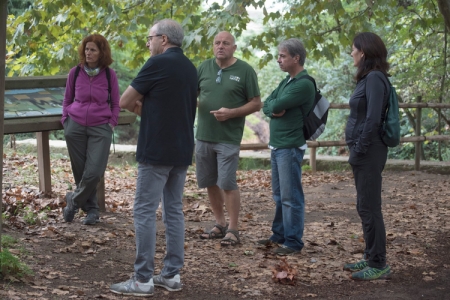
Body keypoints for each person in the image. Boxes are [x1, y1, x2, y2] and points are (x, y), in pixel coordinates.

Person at [109, 19, 197, 297]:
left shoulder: (157, 64)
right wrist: (151, 107)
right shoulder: (190, 68)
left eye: (150, 38)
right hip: (182, 149)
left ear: (164, 39)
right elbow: (171, 106)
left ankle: (142, 279)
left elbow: (124, 101)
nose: (148, 43)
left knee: (144, 211)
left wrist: (143, 106)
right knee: (173, 210)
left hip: (157, 149)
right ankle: (171, 274)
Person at [196, 31, 261, 246]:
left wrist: (231, 113)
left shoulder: (245, 70)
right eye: (217, 43)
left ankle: (233, 229)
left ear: (234, 47)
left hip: (228, 137)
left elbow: (256, 103)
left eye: (225, 43)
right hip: (204, 135)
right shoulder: (204, 67)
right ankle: (219, 224)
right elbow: (192, 95)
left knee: (227, 182)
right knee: (209, 182)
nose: (220, 46)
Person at [343, 32, 392, 280]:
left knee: (371, 207)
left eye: (353, 49)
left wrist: (359, 148)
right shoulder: (367, 79)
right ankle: (369, 256)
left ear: (363, 52)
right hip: (364, 151)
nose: (351, 53)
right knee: (364, 206)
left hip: (369, 151)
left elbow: (372, 118)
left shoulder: (374, 78)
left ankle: (379, 263)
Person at [260, 39, 314, 256]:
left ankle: (293, 241)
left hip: (290, 146)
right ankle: (279, 234)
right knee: (279, 195)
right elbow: (267, 103)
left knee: (291, 196)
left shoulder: (304, 83)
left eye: (282, 56)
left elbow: (277, 104)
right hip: (277, 145)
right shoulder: (287, 81)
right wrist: (272, 108)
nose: (278, 60)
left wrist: (274, 106)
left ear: (296, 58)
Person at [62, 34, 120, 225]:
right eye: (86, 49)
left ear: (101, 52)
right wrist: (66, 120)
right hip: (75, 126)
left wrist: (111, 122)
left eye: (93, 49)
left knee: (94, 171)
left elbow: (116, 103)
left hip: (100, 127)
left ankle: (74, 200)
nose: (88, 53)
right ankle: (92, 210)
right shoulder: (75, 73)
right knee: (80, 171)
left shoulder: (109, 75)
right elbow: (67, 99)